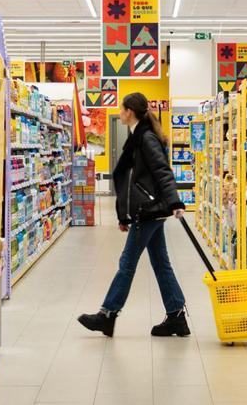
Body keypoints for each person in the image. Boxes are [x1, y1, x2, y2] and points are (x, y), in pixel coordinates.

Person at [78, 92, 189, 338]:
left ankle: (107, 315)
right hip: (149, 209)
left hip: (148, 210)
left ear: (130, 111)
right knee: (161, 264)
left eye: (121, 108)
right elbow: (132, 178)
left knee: (127, 263)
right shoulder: (139, 136)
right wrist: (122, 215)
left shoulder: (146, 138)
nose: (119, 112)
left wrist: (174, 201)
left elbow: (162, 170)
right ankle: (177, 317)